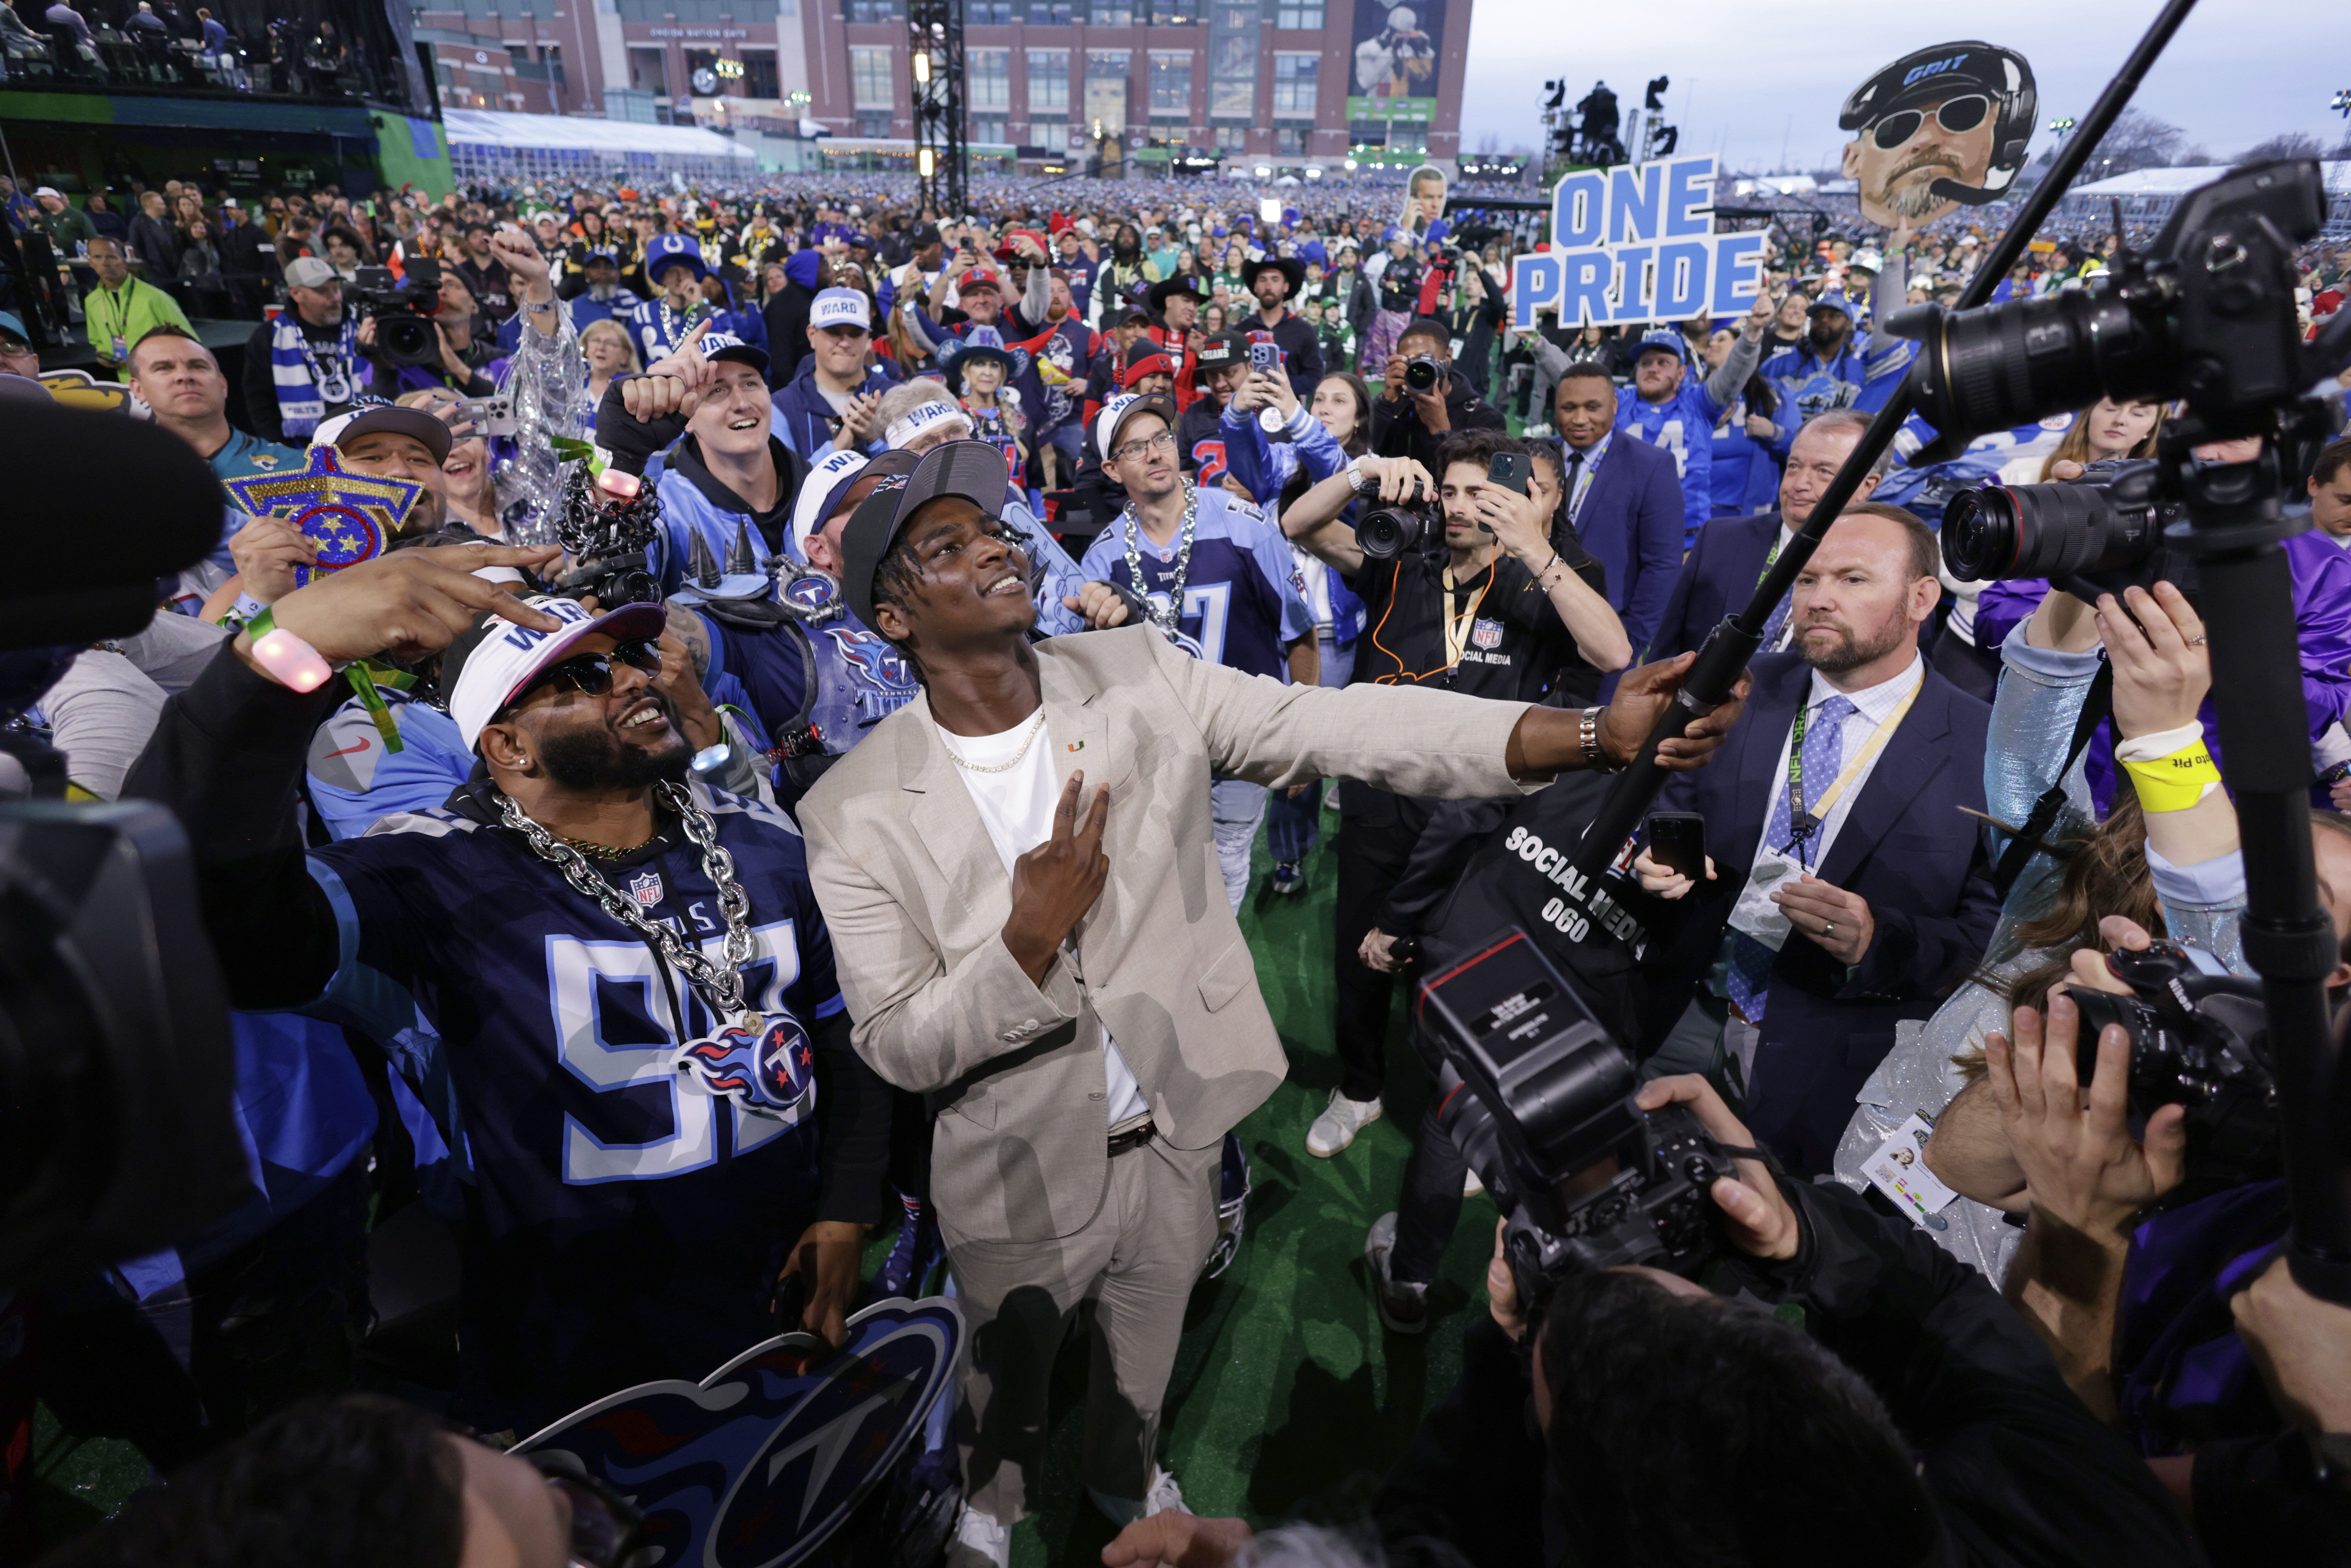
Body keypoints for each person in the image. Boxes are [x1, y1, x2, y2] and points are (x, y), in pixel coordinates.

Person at [791, 434, 1736, 1567]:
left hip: (1179, 1134)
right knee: (1013, 1368)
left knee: (1142, 1353)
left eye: (991, 527)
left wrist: (1590, 733)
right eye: (946, 544)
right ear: (893, 619)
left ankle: (1124, 1471)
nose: (994, 545)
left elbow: (1347, 726)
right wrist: (1023, 941)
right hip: (1011, 1162)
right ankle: (990, 1499)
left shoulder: (1137, 672)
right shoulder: (849, 807)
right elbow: (896, 1038)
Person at [124, 543, 892, 1435]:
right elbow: (188, 912)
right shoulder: (426, 874)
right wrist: (273, 655)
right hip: (574, 1351)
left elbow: (838, 1034)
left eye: (627, 656)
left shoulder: (752, 835)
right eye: (579, 676)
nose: (629, 680)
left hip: (780, 1290)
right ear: (506, 743)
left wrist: (844, 1205)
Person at [1279, 431, 1630, 1170]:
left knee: (1467, 970)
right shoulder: (1402, 557)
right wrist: (1364, 469)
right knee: (1359, 961)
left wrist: (1531, 546)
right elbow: (1300, 526)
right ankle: (1361, 1084)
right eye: (1453, 490)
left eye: (1485, 491)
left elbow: (1614, 654)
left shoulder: (1557, 572)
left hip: (1482, 815)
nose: (1465, 506)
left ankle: (1465, 1110)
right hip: (1382, 795)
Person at [1638, 502, 2000, 1177]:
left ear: (1922, 596)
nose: (1818, 599)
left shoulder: (1983, 745)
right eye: (1805, 580)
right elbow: (1669, 797)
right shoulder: (1739, 686)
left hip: (1827, 1055)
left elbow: (1991, 936)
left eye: (1852, 580)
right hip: (1678, 1008)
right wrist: (1655, 856)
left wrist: (1876, 941)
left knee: (1762, 1251)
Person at [1077, 393, 1318, 912]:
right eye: (1135, 448)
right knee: (1161, 864)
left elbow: (1298, 633)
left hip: (1242, 734)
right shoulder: (1103, 556)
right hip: (1156, 749)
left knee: (1229, 854)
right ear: (1112, 469)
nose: (1156, 453)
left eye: (1161, 438)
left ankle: (1217, 972)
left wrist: (1303, 736)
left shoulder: (1241, 522)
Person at [1647, 409, 1887, 664]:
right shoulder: (1719, 540)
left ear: (1867, 485)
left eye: (1823, 472)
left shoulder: (1886, 568)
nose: (1799, 484)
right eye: (1794, 466)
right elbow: (1665, 653)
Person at [1545, 360, 1685, 673]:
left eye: (1592, 407)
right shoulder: (1536, 455)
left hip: (1605, 637)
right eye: (1569, 408)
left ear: (1615, 404)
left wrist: (1631, 639)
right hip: (1534, 625)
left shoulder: (1652, 466)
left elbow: (1662, 565)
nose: (1580, 419)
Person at [1368, 314, 1504, 480]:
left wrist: (1441, 430)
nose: (1419, 369)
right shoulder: (1396, 407)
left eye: (1425, 360)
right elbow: (1368, 454)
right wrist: (1386, 402)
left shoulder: (1486, 419)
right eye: (1410, 363)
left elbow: (1474, 485)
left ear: (1448, 357)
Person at [242, 255, 360, 444]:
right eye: (323, 292)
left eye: (336, 289)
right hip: (302, 449)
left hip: (366, 439)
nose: (335, 299)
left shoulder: (362, 326)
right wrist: (283, 450)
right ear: (296, 293)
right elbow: (259, 401)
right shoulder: (269, 337)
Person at [770, 285, 890, 458]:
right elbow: (786, 484)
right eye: (833, 332)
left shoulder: (894, 395)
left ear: (867, 338)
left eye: (856, 334)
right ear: (812, 335)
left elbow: (915, 472)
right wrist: (839, 447)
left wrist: (876, 440)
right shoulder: (782, 407)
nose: (845, 343)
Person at [79, 234, 193, 381]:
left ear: (125, 261)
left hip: (164, 380)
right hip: (128, 382)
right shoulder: (92, 301)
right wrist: (104, 356)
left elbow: (189, 341)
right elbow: (97, 341)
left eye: (112, 257)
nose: (105, 263)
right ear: (90, 263)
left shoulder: (155, 298)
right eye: (97, 257)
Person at [1238, 254, 1322, 398]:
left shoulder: (1303, 331)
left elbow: (1315, 377)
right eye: (1263, 280)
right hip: (1248, 412)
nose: (1268, 286)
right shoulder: (1241, 331)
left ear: (1286, 286)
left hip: (1289, 416)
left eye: (1275, 280)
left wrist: (1279, 386)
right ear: (1255, 287)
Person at [628, 234, 717, 365]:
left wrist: (701, 306)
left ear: (695, 275)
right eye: (672, 272)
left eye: (687, 271)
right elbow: (634, 364)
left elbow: (721, 351)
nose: (681, 278)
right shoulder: (643, 315)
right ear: (662, 279)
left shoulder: (715, 313)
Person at [127, 189, 183, 296]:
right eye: (161, 204)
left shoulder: (167, 224)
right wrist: (150, 268)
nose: (165, 207)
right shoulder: (138, 223)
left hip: (174, 272)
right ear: (149, 205)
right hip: (156, 274)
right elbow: (138, 248)